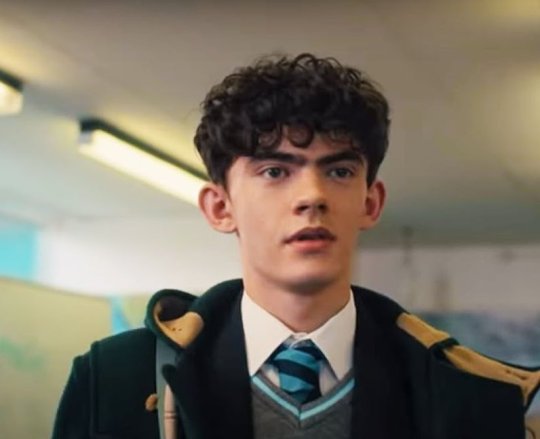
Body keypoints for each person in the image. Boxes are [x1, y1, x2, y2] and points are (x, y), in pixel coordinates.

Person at [52, 53, 539, 439]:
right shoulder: (115, 380)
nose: (312, 196)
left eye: (339, 171)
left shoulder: (469, 396)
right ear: (220, 207)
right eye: (274, 171)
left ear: (370, 202)